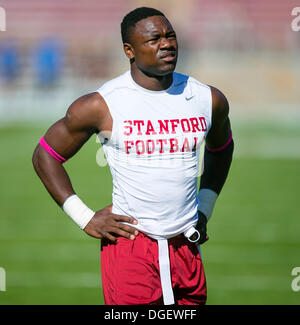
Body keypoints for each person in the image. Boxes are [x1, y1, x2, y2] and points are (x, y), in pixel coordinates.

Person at [32, 7, 234, 305]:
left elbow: (222, 147)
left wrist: (205, 206)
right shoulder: (102, 104)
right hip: (131, 245)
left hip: (187, 246)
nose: (166, 44)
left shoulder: (206, 98)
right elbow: (45, 155)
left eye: (170, 36)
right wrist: (84, 217)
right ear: (130, 50)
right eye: (153, 39)